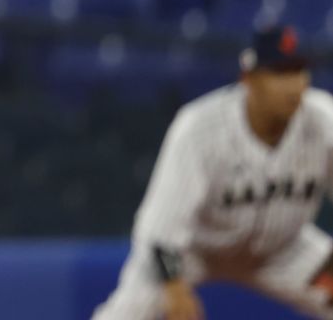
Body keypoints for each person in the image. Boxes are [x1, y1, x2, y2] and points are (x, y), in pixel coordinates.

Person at [93, 25, 333, 320]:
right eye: (280, 73)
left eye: (299, 71)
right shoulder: (200, 128)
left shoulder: (323, 121)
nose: (294, 85)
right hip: (195, 252)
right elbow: (159, 229)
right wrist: (174, 287)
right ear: (249, 78)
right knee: (128, 312)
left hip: (284, 250)